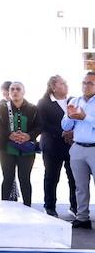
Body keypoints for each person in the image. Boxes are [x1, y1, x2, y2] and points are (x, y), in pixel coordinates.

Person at [0, 81, 40, 207]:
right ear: (9, 92)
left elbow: (39, 126)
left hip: (26, 149)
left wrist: (28, 136)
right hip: (6, 148)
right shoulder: (1, 107)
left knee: (25, 178)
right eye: (12, 89)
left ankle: (27, 207)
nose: (15, 91)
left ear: (24, 92)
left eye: (18, 89)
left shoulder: (33, 108)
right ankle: (5, 207)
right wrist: (9, 135)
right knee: (8, 178)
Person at [37, 75, 76, 217]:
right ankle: (49, 207)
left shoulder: (73, 101)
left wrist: (72, 133)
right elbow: (42, 124)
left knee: (74, 178)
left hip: (71, 145)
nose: (66, 85)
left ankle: (75, 207)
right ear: (53, 87)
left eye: (66, 83)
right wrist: (63, 132)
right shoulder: (43, 103)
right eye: (62, 83)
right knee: (52, 177)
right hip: (52, 146)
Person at [61, 72, 95, 229]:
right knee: (80, 186)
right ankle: (82, 218)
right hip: (78, 147)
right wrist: (70, 116)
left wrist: (84, 117)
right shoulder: (75, 101)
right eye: (84, 82)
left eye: (90, 83)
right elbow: (65, 126)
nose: (86, 86)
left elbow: (87, 120)